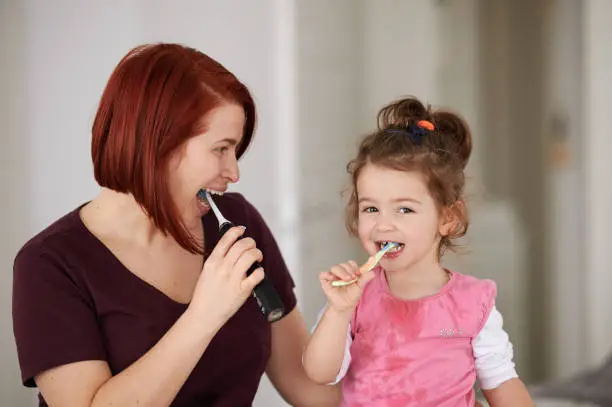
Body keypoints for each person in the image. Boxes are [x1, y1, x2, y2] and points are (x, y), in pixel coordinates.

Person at [12, 43, 340, 407]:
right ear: (159, 143)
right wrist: (204, 315)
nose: (233, 172)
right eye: (220, 149)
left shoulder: (238, 223)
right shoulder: (50, 265)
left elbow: (309, 389)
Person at [302, 96, 534, 406]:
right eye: (371, 208)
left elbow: (503, 383)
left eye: (404, 210)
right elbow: (319, 373)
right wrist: (338, 310)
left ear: (447, 218)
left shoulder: (473, 303)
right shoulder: (353, 299)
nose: (383, 225)